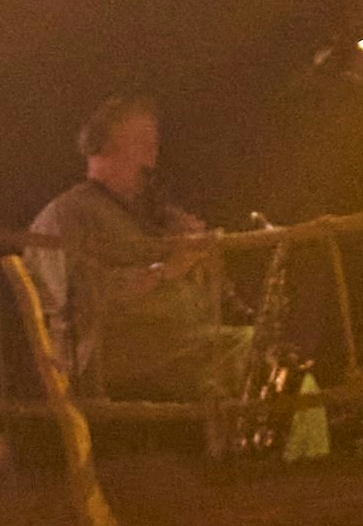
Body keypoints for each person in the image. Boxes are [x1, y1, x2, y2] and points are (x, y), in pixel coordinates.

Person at [28, 93, 252, 402]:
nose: (152, 160)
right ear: (102, 147)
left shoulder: (146, 217)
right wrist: (166, 269)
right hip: (111, 358)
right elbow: (82, 297)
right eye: (142, 144)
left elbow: (198, 300)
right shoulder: (65, 214)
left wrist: (203, 264)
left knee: (270, 351)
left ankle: (259, 443)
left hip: (172, 347)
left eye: (154, 146)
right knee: (250, 346)